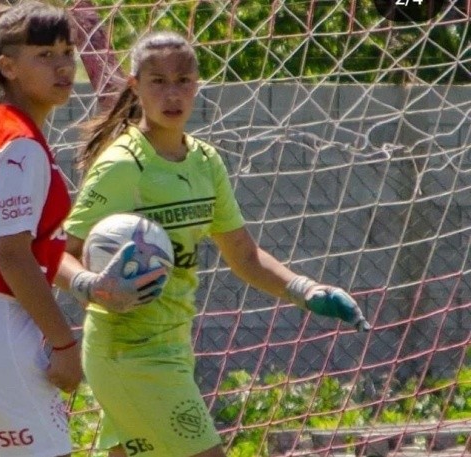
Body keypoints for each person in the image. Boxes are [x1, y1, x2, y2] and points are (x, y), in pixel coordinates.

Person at [60, 31, 371, 457]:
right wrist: (92, 287)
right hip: (127, 352)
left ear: (198, 83)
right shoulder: (122, 166)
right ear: (135, 86)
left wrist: (306, 290)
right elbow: (60, 254)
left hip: (173, 346)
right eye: (158, 81)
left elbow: (243, 254)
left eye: (184, 80)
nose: (173, 94)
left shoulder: (206, 162)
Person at [0, 2, 164, 456]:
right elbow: (13, 256)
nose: (63, 64)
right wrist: (64, 344)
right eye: (44, 54)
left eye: (67, 51)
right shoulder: (17, 143)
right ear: (8, 66)